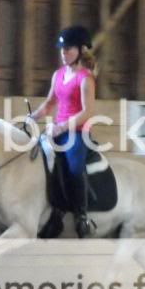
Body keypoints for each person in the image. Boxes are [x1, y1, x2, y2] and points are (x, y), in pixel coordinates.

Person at [28, 25, 97, 238]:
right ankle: (53, 211)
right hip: (56, 131)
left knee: (74, 169)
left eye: (68, 49)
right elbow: (49, 103)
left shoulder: (85, 78)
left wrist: (62, 126)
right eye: (62, 49)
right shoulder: (57, 75)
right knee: (38, 160)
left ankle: (82, 216)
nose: (63, 53)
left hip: (77, 132)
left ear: (80, 50)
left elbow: (88, 111)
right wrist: (32, 118)